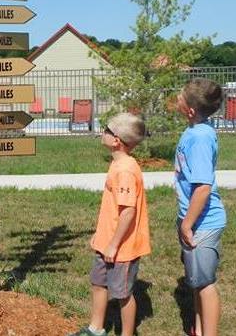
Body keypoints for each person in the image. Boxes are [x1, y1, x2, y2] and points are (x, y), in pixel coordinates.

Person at [70, 113, 151, 336]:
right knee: (98, 283)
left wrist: (114, 244)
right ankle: (96, 328)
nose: (101, 132)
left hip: (121, 248)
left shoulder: (125, 170)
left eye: (106, 129)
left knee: (122, 294)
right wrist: (101, 238)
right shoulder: (118, 164)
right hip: (106, 242)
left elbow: (127, 212)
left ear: (116, 140)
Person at [174, 78, 226, 336]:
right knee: (195, 281)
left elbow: (203, 187)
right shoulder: (196, 129)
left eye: (180, 98)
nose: (176, 100)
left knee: (205, 284)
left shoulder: (201, 138)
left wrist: (187, 223)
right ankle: (198, 327)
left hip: (202, 224)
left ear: (191, 110)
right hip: (193, 221)